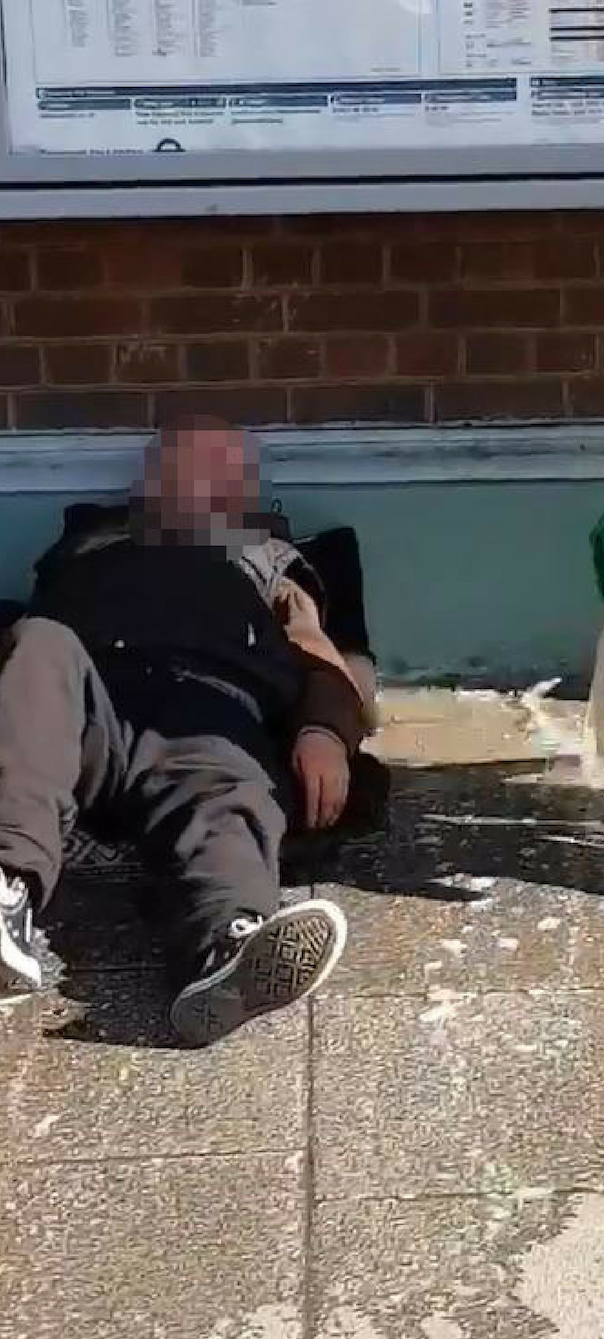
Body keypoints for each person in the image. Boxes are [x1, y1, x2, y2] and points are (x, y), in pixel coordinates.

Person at [0, 419, 365, 1044]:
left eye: (226, 481)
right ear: (148, 487)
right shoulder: (88, 550)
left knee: (230, 788)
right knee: (38, 646)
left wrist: (326, 729)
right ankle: (6, 889)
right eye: (184, 474)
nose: (205, 493)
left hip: (207, 710)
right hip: (89, 698)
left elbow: (325, 659)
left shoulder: (271, 561)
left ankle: (226, 948)